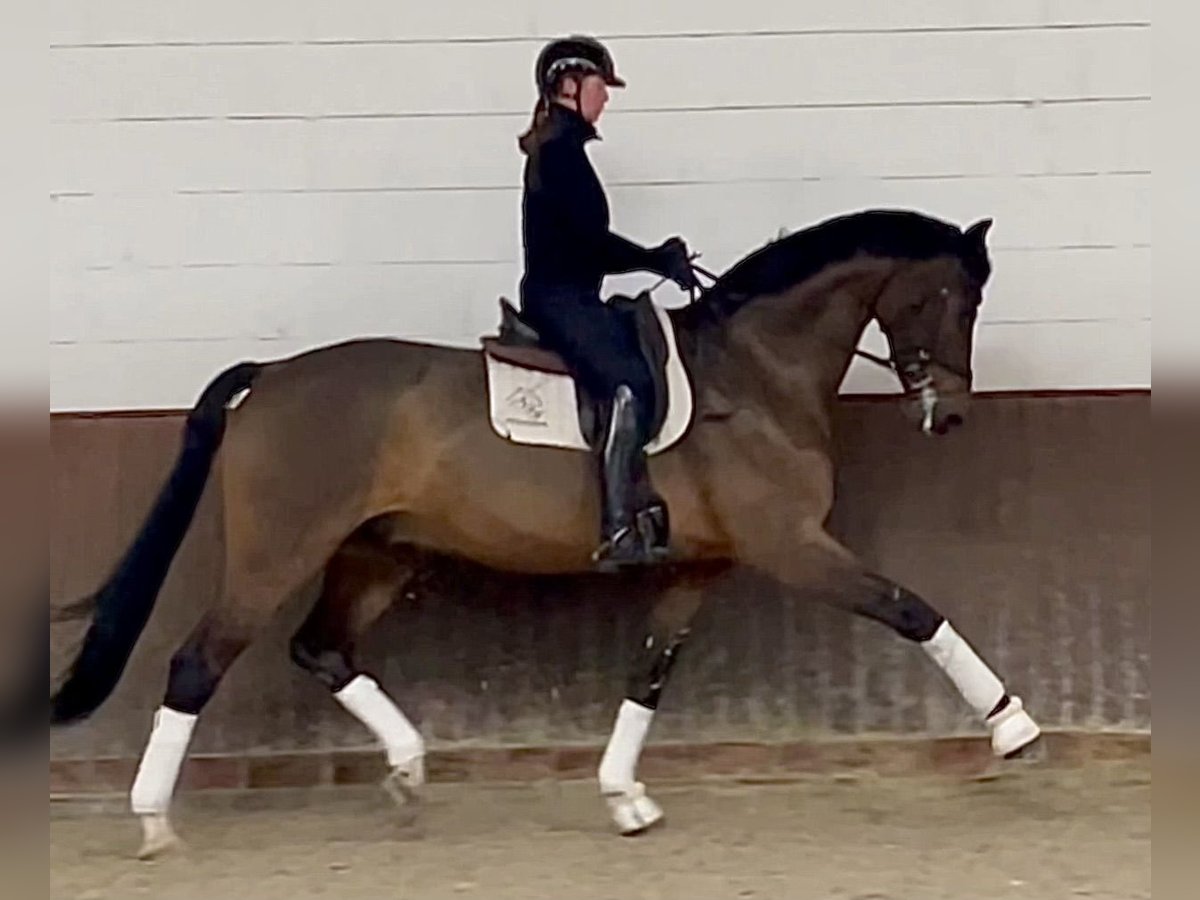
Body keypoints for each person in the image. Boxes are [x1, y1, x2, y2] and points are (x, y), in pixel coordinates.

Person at [516, 35, 700, 570]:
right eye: (601, 86)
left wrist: (653, 258)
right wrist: (655, 259)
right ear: (570, 87)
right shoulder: (559, 155)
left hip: (573, 293)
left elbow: (591, 243)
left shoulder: (563, 151)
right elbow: (590, 243)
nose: (607, 98)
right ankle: (617, 524)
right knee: (630, 382)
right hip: (559, 299)